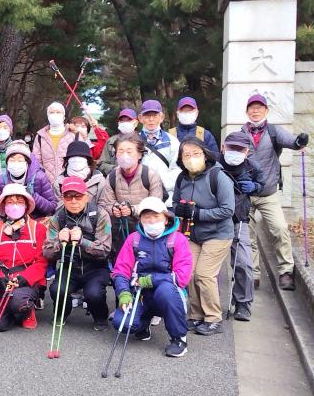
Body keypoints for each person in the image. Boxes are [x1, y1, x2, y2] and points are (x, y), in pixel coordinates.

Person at [240, 94, 308, 291]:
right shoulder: (241, 133)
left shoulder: (273, 131)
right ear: (247, 111)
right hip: (246, 194)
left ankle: (285, 272)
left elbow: (293, 142)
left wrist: (299, 141)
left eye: (259, 107)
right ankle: (252, 274)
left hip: (268, 193)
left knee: (280, 229)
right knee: (247, 236)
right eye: (252, 107)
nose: (255, 110)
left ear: (266, 110)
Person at [110, 196, 193, 357]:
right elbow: (121, 270)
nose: (152, 221)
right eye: (147, 217)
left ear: (166, 219)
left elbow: (181, 277)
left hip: (168, 291)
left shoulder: (178, 240)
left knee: (165, 292)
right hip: (139, 292)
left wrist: (150, 280)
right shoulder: (133, 239)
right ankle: (144, 322)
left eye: (156, 217)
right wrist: (123, 293)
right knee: (122, 324)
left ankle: (179, 339)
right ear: (140, 220)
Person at [172, 137, 235, 336]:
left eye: (196, 154)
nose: (191, 158)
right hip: (192, 234)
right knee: (189, 274)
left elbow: (228, 210)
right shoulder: (182, 178)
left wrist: (198, 214)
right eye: (187, 155)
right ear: (181, 158)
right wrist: (179, 209)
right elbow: (174, 203)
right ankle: (196, 315)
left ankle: (213, 318)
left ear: (205, 154)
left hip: (218, 233)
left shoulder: (218, 176)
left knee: (204, 275)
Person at [43, 176, 112, 330]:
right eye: (68, 196)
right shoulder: (57, 217)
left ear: (86, 196)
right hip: (69, 267)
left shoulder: (101, 215)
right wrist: (58, 243)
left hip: (95, 267)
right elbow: (47, 252)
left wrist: (82, 241)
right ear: (63, 198)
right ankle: (62, 312)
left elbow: (105, 250)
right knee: (57, 289)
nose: (73, 201)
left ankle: (100, 317)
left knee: (93, 293)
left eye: (78, 196)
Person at [0, 184, 48, 331]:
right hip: (2, 279)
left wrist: (25, 277)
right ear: (4, 206)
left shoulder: (38, 229)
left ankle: (26, 309)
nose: (15, 205)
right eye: (10, 202)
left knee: (17, 301)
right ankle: (11, 311)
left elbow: (42, 261)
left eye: (19, 201)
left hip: (26, 281)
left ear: (26, 205)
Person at [219, 132, 265, 321]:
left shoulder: (253, 168)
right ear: (223, 147)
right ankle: (203, 307)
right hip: (215, 219)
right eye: (232, 148)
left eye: (240, 149)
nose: (235, 152)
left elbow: (264, 185)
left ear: (247, 151)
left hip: (240, 219)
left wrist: (254, 187)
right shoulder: (214, 164)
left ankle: (243, 303)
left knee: (244, 263)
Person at [100, 133, 164, 262]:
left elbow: (156, 204)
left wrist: (132, 209)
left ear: (140, 154)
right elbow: (105, 203)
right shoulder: (112, 176)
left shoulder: (150, 174)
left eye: (129, 151)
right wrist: (114, 209)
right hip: (120, 230)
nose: (125, 155)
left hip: (145, 228)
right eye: (121, 151)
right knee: (122, 263)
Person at [0, 140, 56, 219]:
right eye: (12, 160)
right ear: (7, 163)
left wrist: (33, 196)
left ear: (27, 163)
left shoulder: (39, 177)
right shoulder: (1, 180)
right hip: (10, 220)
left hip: (36, 219)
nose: (16, 163)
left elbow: (52, 207)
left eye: (20, 160)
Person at [138, 100, 181, 206]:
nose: (151, 119)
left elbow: (177, 168)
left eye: (155, 115)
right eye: (147, 115)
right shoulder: (134, 141)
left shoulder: (172, 141)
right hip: (140, 197)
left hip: (167, 198)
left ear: (161, 117)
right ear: (140, 118)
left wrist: (159, 186)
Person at [51, 141, 107, 208]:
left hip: (93, 216)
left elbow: (102, 204)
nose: (77, 160)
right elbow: (58, 205)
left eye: (81, 156)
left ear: (87, 159)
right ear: (68, 160)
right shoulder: (59, 181)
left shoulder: (99, 179)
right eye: (73, 157)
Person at [32, 101, 75, 184]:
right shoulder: (40, 136)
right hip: (46, 184)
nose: (55, 114)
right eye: (52, 112)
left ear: (64, 116)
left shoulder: (73, 135)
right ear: (48, 116)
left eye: (58, 112)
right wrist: (42, 178)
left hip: (68, 184)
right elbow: (36, 161)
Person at [99, 108, 139, 174]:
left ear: (136, 123)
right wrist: (115, 169)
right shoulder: (111, 141)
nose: (125, 123)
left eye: (128, 120)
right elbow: (101, 164)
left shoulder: (141, 141)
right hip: (115, 179)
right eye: (122, 120)